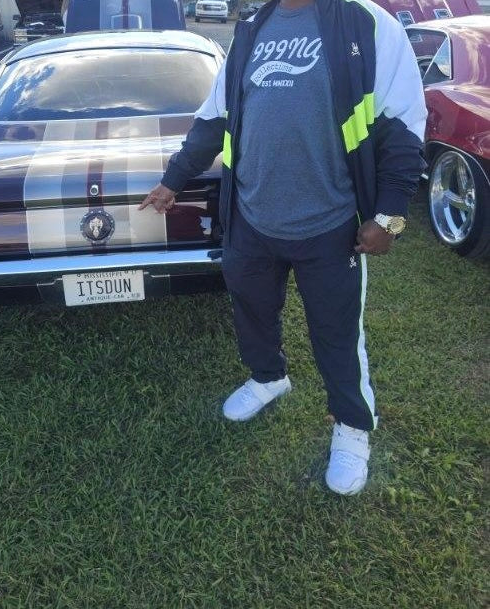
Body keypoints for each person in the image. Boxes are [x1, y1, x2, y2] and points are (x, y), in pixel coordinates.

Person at [139, 0, 426, 495]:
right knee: (251, 309)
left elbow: (402, 123)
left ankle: (352, 426)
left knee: (336, 332)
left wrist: (390, 216)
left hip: (329, 224)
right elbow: (214, 118)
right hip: (251, 217)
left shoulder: (366, 23)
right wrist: (173, 180)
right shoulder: (252, 29)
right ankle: (268, 377)